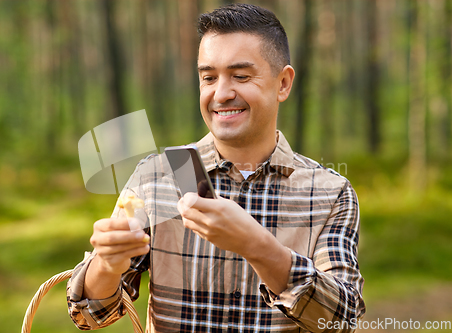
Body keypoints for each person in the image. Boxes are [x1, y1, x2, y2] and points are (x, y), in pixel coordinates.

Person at [67, 3, 365, 332]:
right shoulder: (158, 177)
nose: (221, 94)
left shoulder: (329, 194)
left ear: (283, 83)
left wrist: (258, 246)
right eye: (208, 77)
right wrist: (107, 265)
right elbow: (90, 315)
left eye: (240, 76)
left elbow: (341, 321)